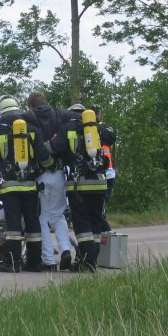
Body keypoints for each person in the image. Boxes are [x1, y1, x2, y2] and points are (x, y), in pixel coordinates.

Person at [0, 96, 55, 272]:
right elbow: (44, 158)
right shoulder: (32, 130)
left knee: (14, 224)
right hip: (31, 185)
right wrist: (55, 166)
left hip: (9, 187)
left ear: (0, 112)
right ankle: (34, 263)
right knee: (33, 223)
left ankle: (13, 263)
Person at [47, 108, 117, 272]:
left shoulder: (67, 128)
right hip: (100, 184)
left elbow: (53, 147)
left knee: (82, 224)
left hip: (79, 186)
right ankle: (91, 259)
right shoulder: (97, 128)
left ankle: (87, 263)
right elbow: (111, 137)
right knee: (96, 222)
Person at [22, 92, 76, 270]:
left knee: (42, 217)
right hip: (59, 173)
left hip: (40, 174)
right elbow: (75, 116)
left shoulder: (29, 117)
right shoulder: (58, 114)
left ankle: (49, 260)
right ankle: (66, 250)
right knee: (58, 215)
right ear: (45, 102)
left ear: (30, 105)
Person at [93, 106, 116, 232]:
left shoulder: (103, 129)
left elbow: (112, 137)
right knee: (97, 212)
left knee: (99, 212)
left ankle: (109, 239)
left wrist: (94, 125)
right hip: (99, 175)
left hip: (107, 174)